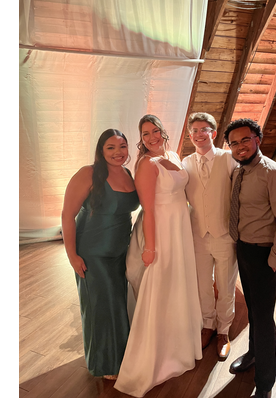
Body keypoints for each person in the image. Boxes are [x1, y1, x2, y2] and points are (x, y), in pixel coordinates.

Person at [115, 114, 203, 397]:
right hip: (161, 229)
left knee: (177, 284)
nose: (151, 137)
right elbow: (149, 210)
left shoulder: (173, 155)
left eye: (155, 131)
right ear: (141, 139)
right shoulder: (146, 164)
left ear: (163, 132)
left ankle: (178, 342)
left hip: (179, 227)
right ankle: (155, 354)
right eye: (145, 134)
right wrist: (150, 247)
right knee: (160, 286)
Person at [224, 118, 276, 398]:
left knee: (264, 318)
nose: (240, 147)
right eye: (234, 143)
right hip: (243, 248)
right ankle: (253, 354)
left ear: (258, 139)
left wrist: (275, 260)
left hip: (266, 254)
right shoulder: (239, 171)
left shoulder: (275, 174)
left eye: (245, 139)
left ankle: (265, 384)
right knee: (253, 310)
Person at [60, 129, 140, 380]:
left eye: (122, 146)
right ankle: (104, 364)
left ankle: (120, 356)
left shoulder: (128, 173)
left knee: (116, 304)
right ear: (101, 150)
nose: (118, 152)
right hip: (92, 253)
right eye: (111, 147)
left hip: (120, 252)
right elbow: (67, 216)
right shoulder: (88, 173)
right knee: (99, 308)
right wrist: (72, 255)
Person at [180, 112, 238, 361]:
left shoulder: (229, 158)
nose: (198, 134)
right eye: (194, 130)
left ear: (213, 133)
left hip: (225, 235)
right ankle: (207, 325)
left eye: (203, 129)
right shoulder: (185, 162)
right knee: (202, 284)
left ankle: (223, 331)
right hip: (198, 235)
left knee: (225, 286)